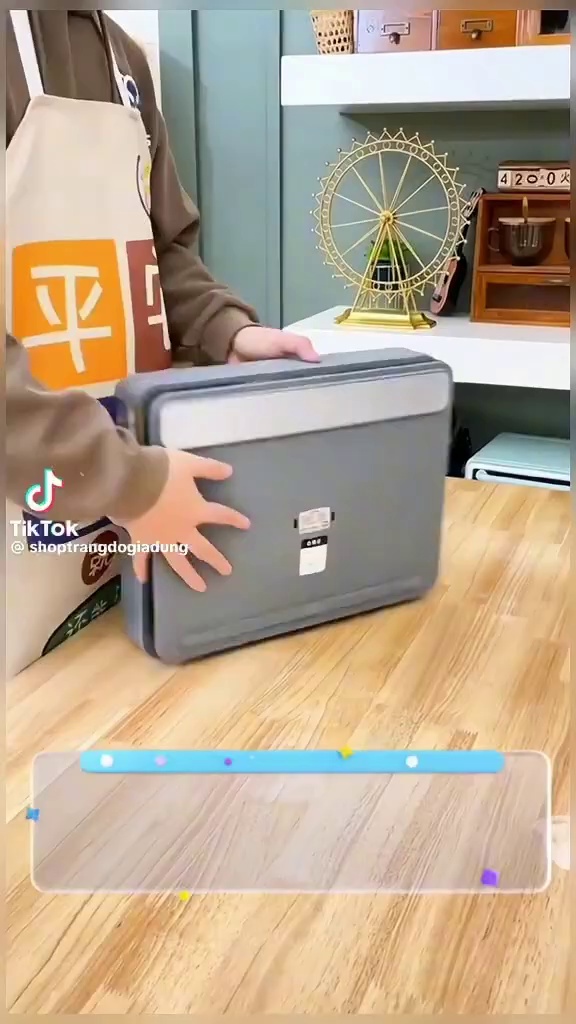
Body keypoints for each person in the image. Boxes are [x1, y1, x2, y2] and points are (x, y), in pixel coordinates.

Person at [6, 10, 319, 677]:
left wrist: (224, 328)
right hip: (36, 498)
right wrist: (124, 479)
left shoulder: (123, 58)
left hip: (123, 488)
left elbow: (158, 245)